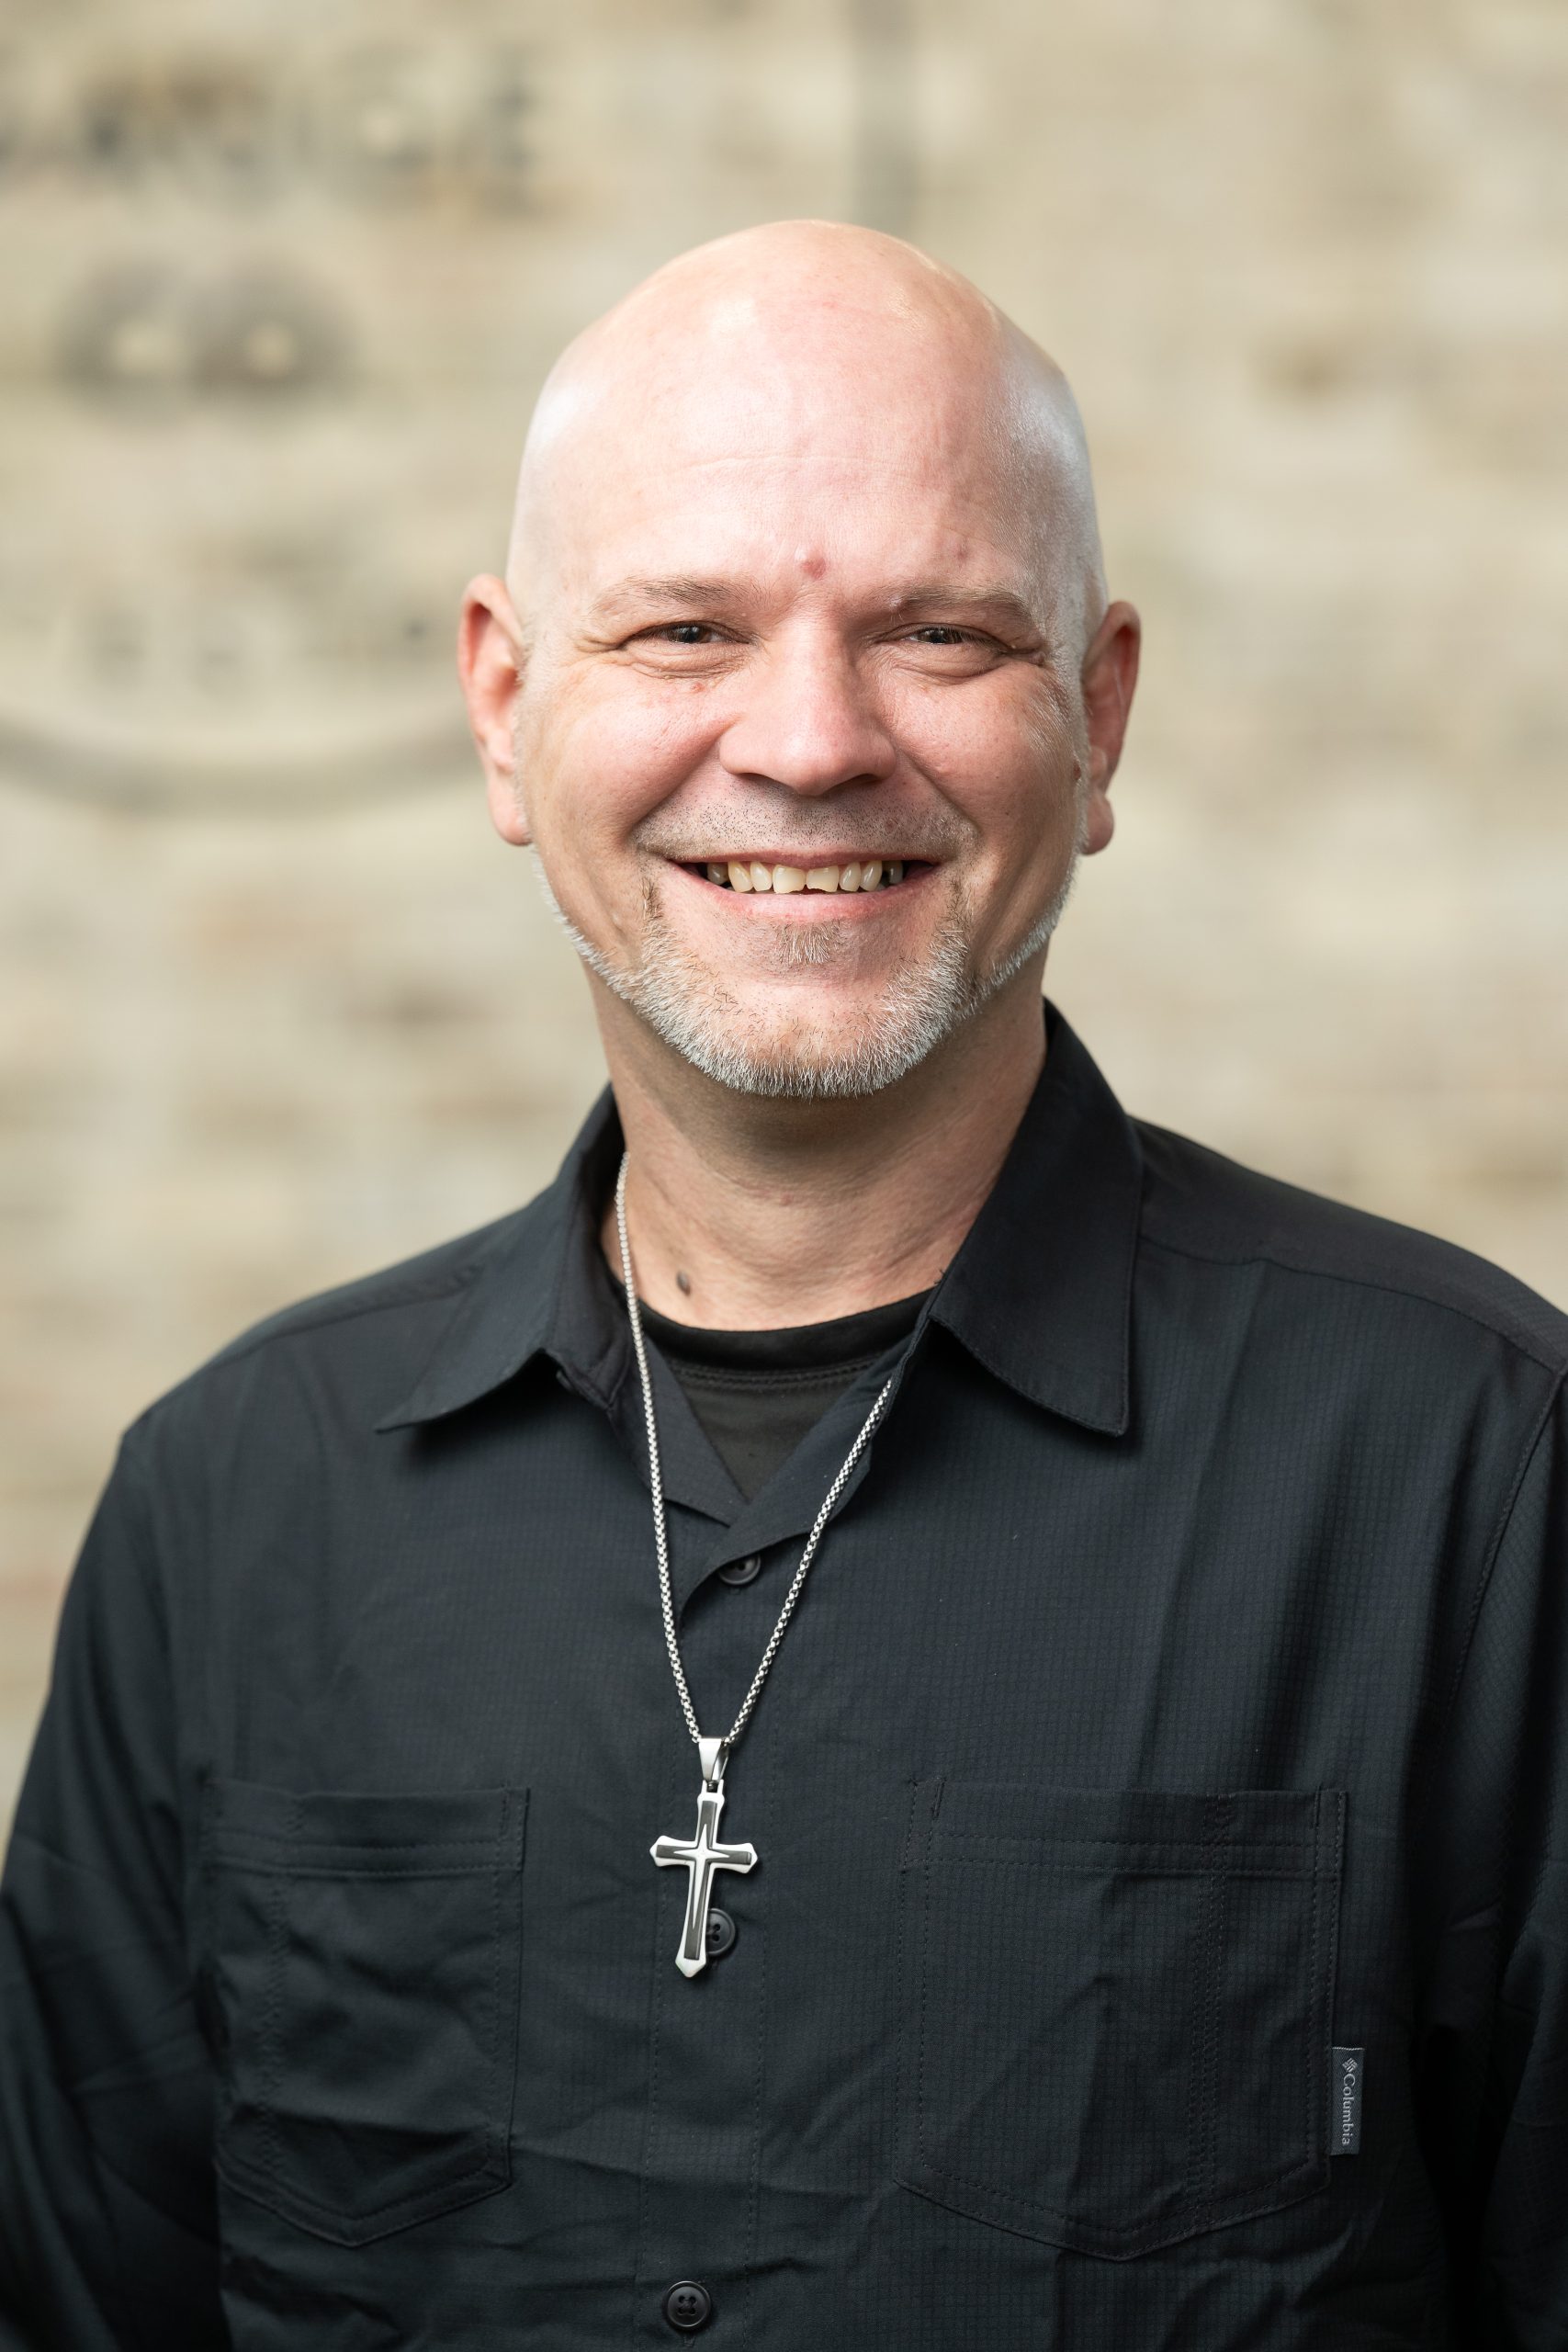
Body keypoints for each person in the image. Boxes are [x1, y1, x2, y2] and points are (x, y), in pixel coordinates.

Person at [1, 220, 1563, 2351]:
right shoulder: (230, 1507)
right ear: (503, 706)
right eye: (684, 630)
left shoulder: (1476, 1483)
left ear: (1096, 717)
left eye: (935, 631)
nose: (811, 741)